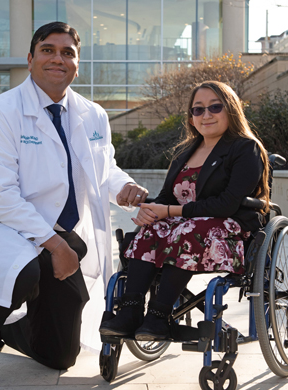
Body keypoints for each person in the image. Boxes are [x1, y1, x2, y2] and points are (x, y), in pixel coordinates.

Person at [0, 21, 148, 388]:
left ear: (77, 64)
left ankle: (8, 332)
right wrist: (56, 245)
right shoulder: (3, 112)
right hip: (6, 225)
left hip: (63, 234)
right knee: (20, 270)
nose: (57, 59)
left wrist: (124, 185)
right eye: (48, 50)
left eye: (67, 53)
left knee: (60, 355)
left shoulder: (93, 114)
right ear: (30, 59)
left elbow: (102, 166)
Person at [100, 80, 270, 342]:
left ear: (231, 110)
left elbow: (227, 203)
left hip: (229, 231)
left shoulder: (245, 148)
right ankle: (130, 312)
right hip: (185, 231)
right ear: (191, 118)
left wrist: (168, 211)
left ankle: (158, 316)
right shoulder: (184, 153)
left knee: (187, 227)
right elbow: (167, 198)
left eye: (215, 107)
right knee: (152, 227)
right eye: (198, 109)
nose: (206, 115)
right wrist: (149, 209)